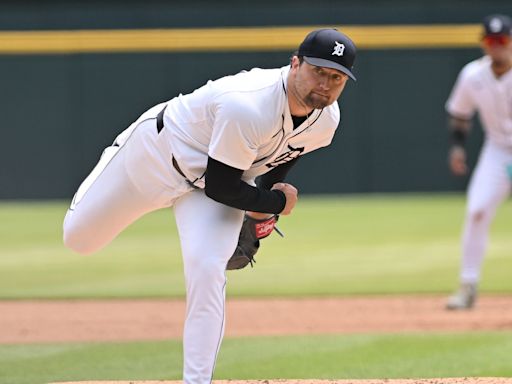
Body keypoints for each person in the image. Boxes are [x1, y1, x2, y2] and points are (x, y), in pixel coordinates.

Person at [63, 28, 357, 382]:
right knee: (79, 239)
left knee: (207, 269)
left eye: (336, 77)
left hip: (209, 187)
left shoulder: (326, 121)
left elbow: (280, 157)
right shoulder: (248, 104)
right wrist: (275, 202)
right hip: (155, 158)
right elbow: (222, 186)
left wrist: (262, 207)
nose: (325, 84)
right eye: (318, 71)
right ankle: (114, 157)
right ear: (295, 64)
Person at [445, 14, 512, 310]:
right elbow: (460, 114)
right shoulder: (472, 75)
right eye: (491, 40)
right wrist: (458, 148)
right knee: (477, 211)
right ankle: (467, 286)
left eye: (502, 40)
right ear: (484, 44)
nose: (496, 46)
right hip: (497, 149)